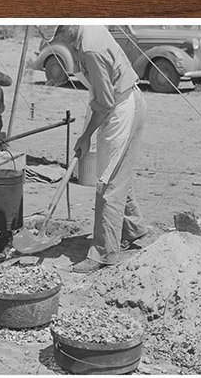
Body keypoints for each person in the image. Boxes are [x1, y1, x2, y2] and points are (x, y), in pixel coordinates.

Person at [52, 24, 150, 273]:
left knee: (108, 184)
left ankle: (104, 253)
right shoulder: (87, 31)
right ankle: (133, 229)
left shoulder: (90, 49)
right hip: (121, 102)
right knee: (117, 175)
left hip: (122, 108)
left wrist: (86, 136)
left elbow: (105, 102)